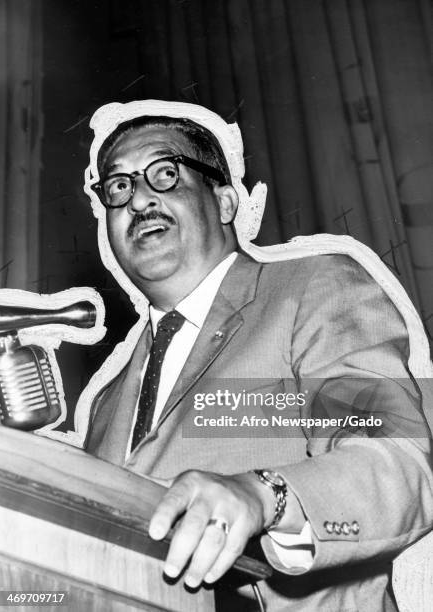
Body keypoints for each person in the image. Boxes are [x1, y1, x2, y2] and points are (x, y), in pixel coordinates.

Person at [78, 99, 433, 611]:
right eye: (118, 186)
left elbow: (399, 465)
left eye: (164, 173)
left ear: (224, 201)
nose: (138, 201)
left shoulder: (310, 289)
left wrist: (265, 495)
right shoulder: (107, 403)